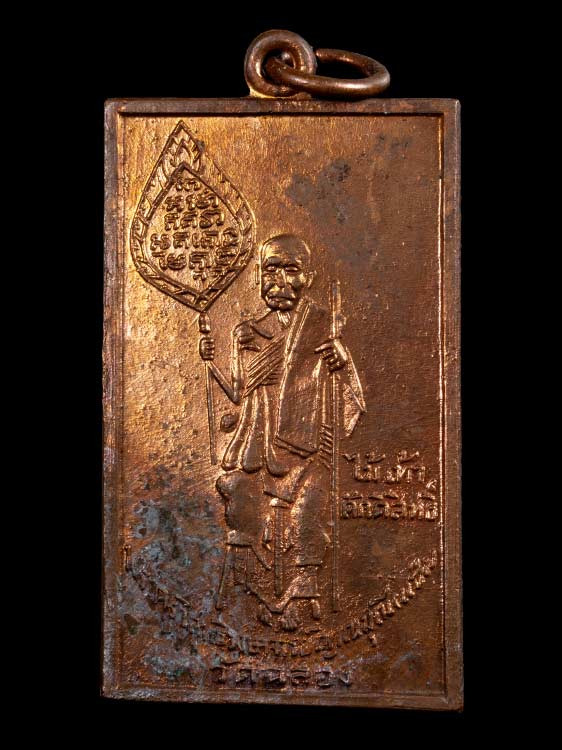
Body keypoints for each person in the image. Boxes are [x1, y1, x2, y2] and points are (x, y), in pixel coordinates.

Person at [200, 234, 365, 626]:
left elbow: (353, 398)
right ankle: (242, 586)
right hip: (256, 438)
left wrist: (342, 362)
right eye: (271, 269)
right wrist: (210, 362)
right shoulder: (246, 332)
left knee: (312, 502)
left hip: (305, 439)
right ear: (259, 276)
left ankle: (305, 590)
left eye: (291, 269)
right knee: (239, 493)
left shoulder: (323, 326)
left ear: (307, 277)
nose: (280, 280)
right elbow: (237, 393)